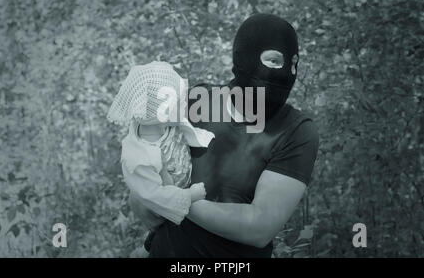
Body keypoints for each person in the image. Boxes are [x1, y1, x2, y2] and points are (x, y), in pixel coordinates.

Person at [129, 13, 319, 257]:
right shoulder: (195, 102)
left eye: (293, 64)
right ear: (245, 58)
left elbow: (258, 227)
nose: (285, 73)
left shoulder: (296, 130)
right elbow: (142, 197)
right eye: (274, 61)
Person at [107, 61, 215, 256]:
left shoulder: (164, 124)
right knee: (166, 226)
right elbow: (155, 197)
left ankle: (148, 247)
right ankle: (148, 248)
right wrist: (190, 196)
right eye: (175, 101)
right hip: (165, 201)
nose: (180, 105)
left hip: (183, 180)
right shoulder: (139, 155)